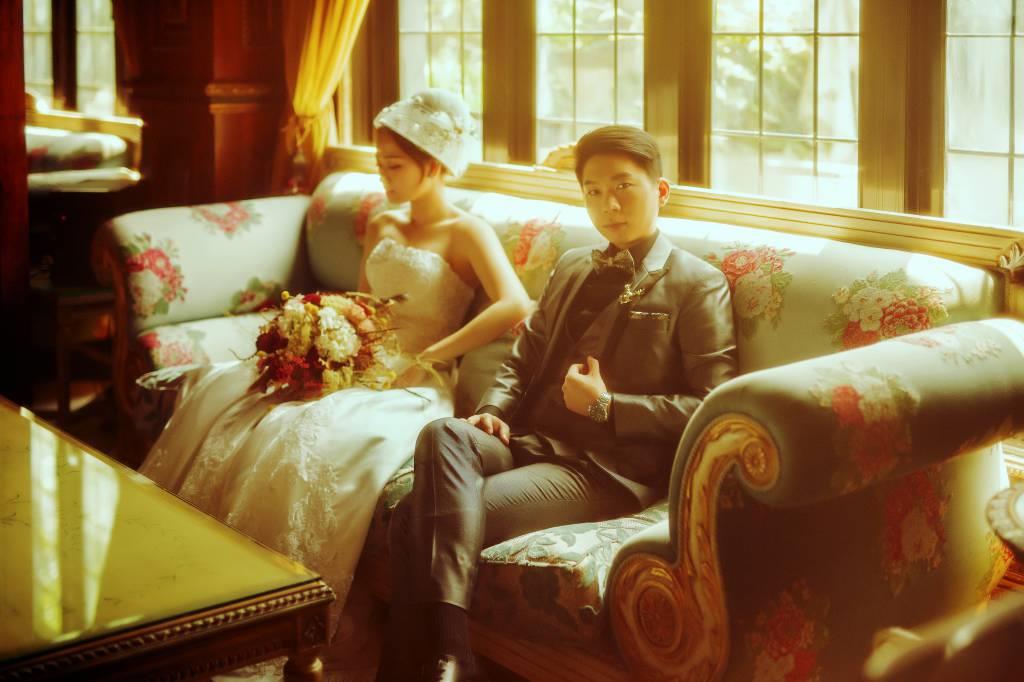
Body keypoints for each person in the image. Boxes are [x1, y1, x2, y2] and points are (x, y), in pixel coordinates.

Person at [138, 88, 530, 675]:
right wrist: (328, 333)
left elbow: (515, 304)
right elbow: (367, 303)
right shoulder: (384, 220)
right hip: (363, 361)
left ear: (433, 164)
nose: (383, 177)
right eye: (379, 164)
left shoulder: (466, 230)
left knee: (313, 432)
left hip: (416, 378)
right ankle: (205, 588)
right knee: (232, 396)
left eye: (394, 166)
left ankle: (282, 612)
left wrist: (432, 353)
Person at [379, 125, 738, 681]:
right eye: (593, 191)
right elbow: (522, 357)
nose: (608, 205)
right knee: (443, 433)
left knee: (413, 518)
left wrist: (607, 406)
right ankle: (452, 659)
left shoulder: (697, 283)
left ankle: (438, 659)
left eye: (624, 187)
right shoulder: (572, 264)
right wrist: (493, 410)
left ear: (661, 191)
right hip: (528, 441)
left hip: (602, 468)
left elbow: (712, 404)